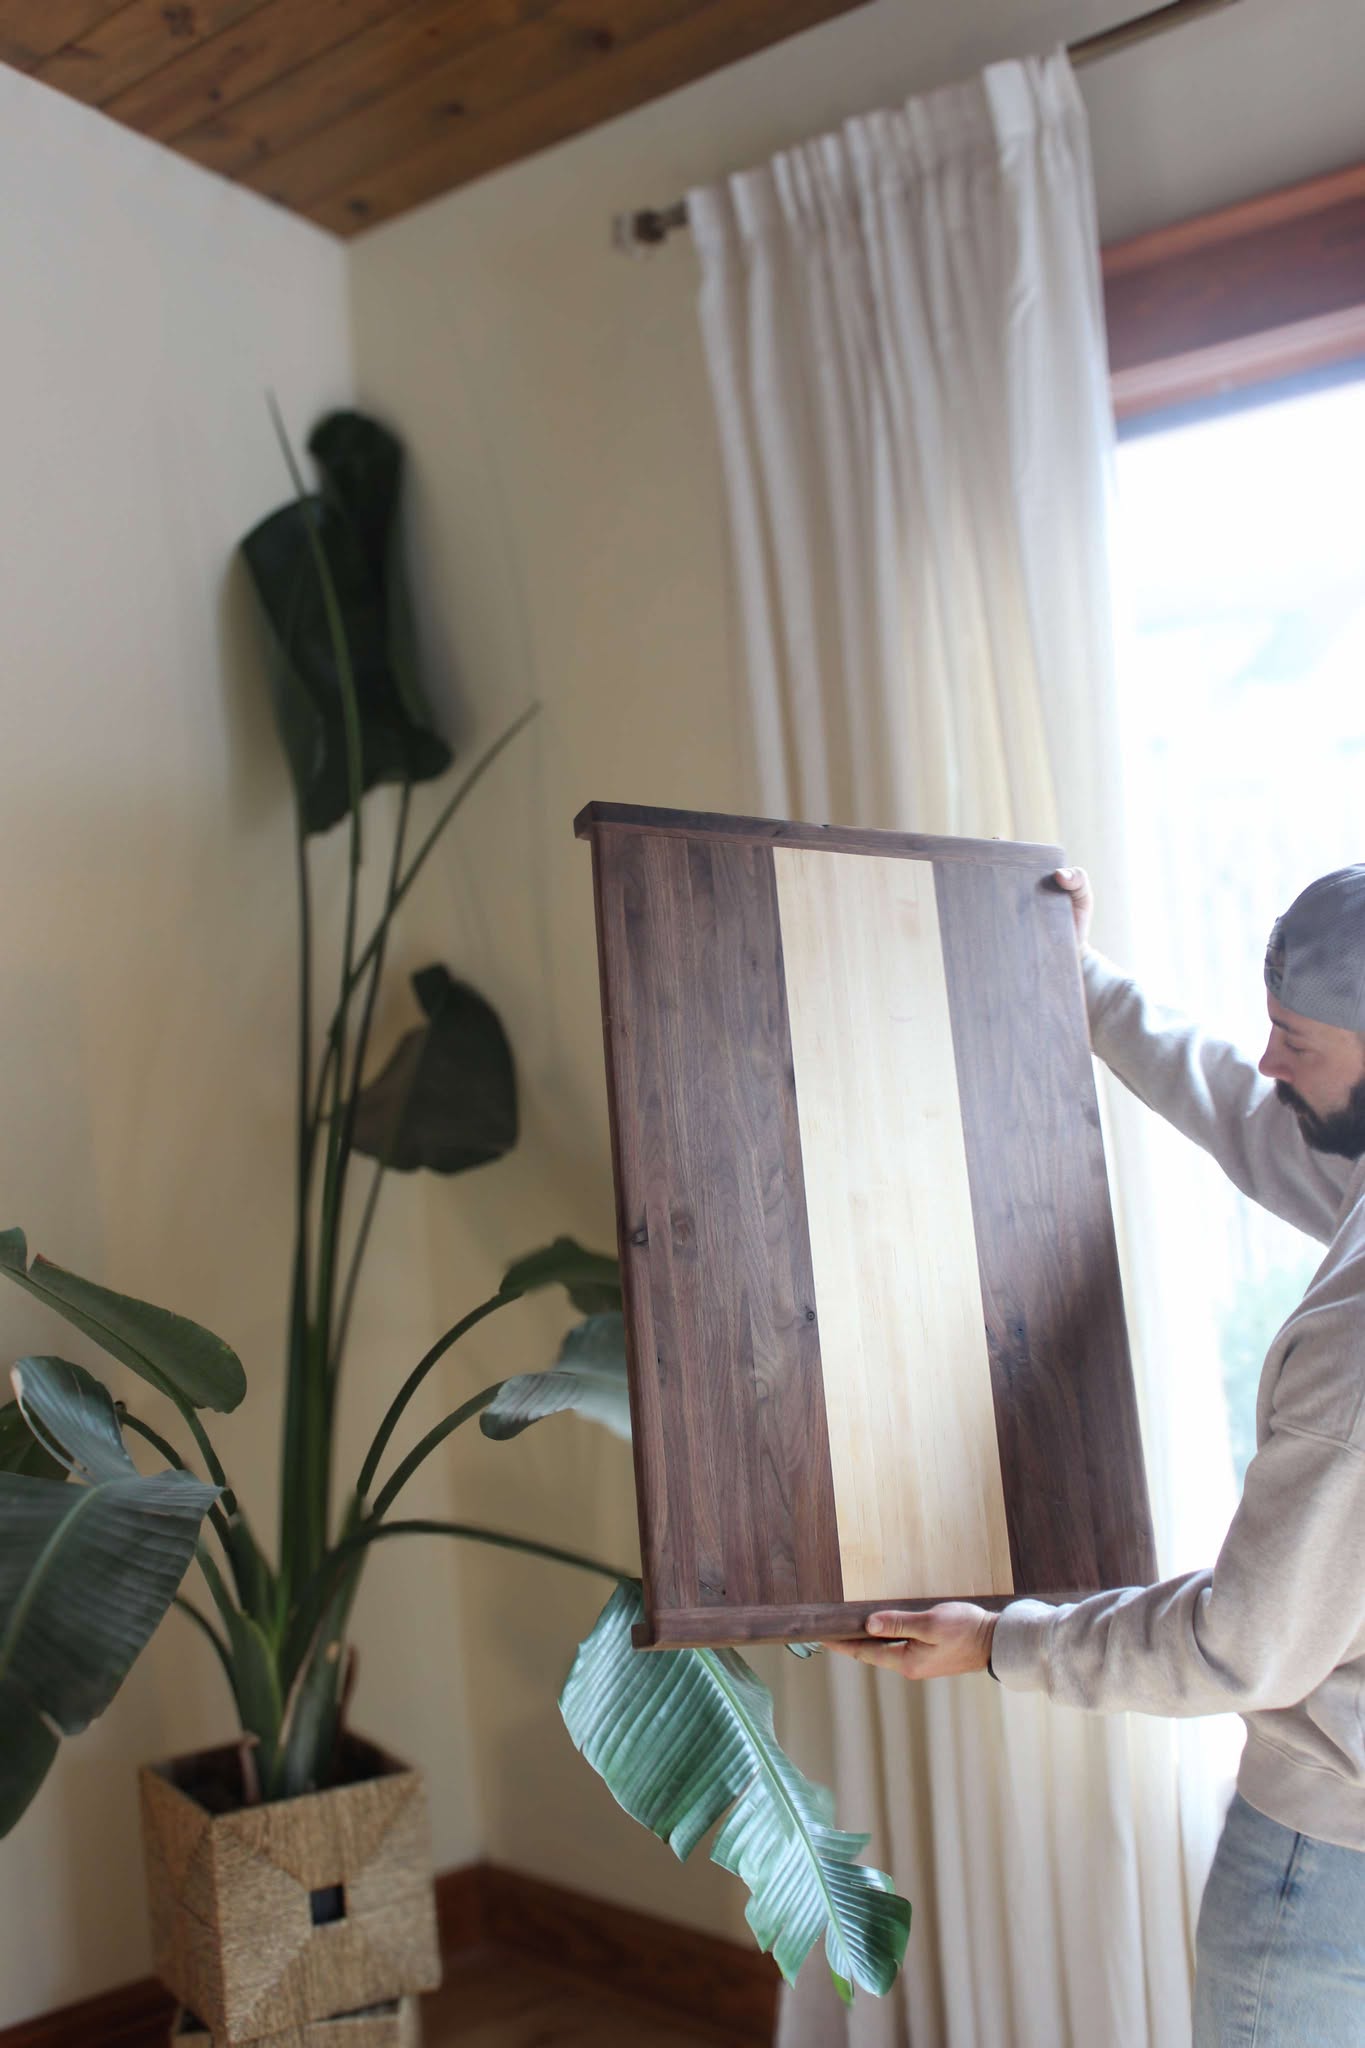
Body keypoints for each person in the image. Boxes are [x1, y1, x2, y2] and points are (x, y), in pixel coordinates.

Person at [828, 863, 1365, 2047]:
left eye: (1298, 1040)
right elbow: (1243, 1110)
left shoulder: (1353, 1348)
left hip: (1328, 1880)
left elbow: (1240, 1648)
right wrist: (1078, 981)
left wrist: (1000, 1640)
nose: (1271, 1061)